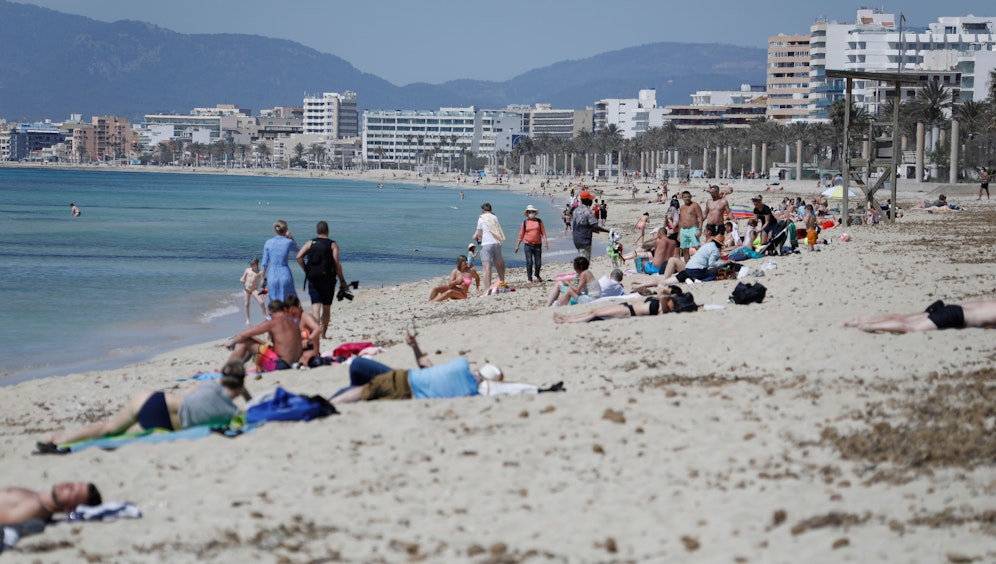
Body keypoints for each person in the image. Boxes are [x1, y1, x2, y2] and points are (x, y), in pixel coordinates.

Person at [43, 362, 249, 447]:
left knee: (109, 427)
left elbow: (188, 394)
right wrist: (244, 394)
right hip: (165, 423)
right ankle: (65, 443)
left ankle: (60, 440)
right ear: (240, 385)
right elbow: (248, 411)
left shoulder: (208, 385)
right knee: (116, 435)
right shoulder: (230, 413)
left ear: (222, 375)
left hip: (155, 400)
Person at [330, 331, 520, 403]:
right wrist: (414, 346)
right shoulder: (463, 385)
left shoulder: (462, 371)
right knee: (356, 377)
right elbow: (426, 365)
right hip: (408, 380)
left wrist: (415, 347)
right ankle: (343, 397)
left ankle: (335, 401)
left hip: (404, 381)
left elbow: (426, 365)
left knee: (358, 365)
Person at [295, 221, 347, 339]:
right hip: (328, 280)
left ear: (317, 231)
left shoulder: (310, 243)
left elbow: (298, 257)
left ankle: (315, 334)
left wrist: (306, 270)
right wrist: (342, 280)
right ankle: (323, 334)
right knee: (326, 308)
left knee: (315, 308)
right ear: (328, 231)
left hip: (313, 279)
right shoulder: (332, 244)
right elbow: (337, 263)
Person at [226, 300, 303, 372]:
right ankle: (236, 368)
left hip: (280, 364)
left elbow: (243, 334)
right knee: (250, 341)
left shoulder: (273, 323)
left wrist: (232, 343)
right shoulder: (293, 322)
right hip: (295, 361)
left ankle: (228, 369)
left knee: (244, 342)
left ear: (270, 312)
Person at [553, 284, 687, 324]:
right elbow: (660, 289)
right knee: (594, 311)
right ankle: (568, 317)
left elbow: (663, 295)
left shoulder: (665, 308)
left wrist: (666, 293)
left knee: (596, 313)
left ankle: (568, 320)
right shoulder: (660, 300)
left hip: (629, 312)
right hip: (626, 306)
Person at [844, 299, 996, 333]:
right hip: (956, 315)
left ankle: (860, 320)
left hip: (952, 307)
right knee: (910, 328)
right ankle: (869, 326)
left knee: (902, 318)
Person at [1, 483, 101, 524]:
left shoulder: (34, 508)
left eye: (72, 491)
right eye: (72, 484)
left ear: (69, 508)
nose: (67, 485)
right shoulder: (35, 497)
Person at [260, 220, 298, 303]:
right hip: (285, 273)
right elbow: (300, 251)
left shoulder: (268, 243)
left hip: (272, 275)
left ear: (275, 230)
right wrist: (291, 238)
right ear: (286, 230)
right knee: (289, 303)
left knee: (275, 305)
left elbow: (264, 264)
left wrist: (262, 279)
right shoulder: (288, 242)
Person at [473, 202, 506, 291]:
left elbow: (479, 233)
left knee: (487, 267)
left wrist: (479, 241)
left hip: (486, 243)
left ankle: (488, 288)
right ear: (491, 210)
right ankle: (502, 282)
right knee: (499, 264)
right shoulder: (495, 217)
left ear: (483, 210)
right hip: (496, 242)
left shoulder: (481, 218)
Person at [282, 295, 322, 366]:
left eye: (292, 310)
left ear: (298, 305)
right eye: (288, 312)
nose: (291, 314)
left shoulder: (305, 316)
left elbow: (318, 329)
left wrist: (309, 339)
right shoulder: (298, 320)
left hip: (310, 358)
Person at [514, 204, 549, 283]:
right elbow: (521, 235)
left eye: (532, 211)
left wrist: (546, 242)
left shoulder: (539, 221)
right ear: (527, 213)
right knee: (529, 262)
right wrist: (517, 246)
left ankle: (537, 274)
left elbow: (543, 233)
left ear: (535, 213)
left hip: (537, 245)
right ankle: (529, 278)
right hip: (528, 245)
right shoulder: (525, 223)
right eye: (529, 212)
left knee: (538, 263)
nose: (531, 213)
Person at [571, 190, 609, 259]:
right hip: (584, 240)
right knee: (585, 261)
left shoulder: (576, 210)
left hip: (576, 238)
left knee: (581, 257)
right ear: (586, 200)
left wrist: (592, 229)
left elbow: (582, 224)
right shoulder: (588, 211)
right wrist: (608, 231)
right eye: (590, 199)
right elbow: (595, 226)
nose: (592, 201)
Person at [677, 190, 704, 261]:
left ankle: (703, 262)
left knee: (697, 247)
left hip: (693, 229)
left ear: (691, 197)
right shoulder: (682, 207)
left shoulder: (695, 205)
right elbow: (680, 221)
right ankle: (688, 266)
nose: (687, 198)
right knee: (685, 249)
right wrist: (679, 233)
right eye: (685, 197)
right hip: (683, 230)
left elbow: (700, 217)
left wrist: (700, 230)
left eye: (688, 197)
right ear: (682, 198)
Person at [240, 258, 267, 325]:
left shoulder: (259, 272)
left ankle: (265, 316)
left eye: (252, 263)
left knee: (262, 302)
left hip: (254, 290)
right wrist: (242, 280)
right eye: (250, 263)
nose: (251, 264)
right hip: (247, 289)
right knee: (246, 304)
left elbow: (263, 280)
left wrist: (264, 289)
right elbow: (242, 278)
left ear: (256, 264)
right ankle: (248, 319)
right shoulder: (247, 270)